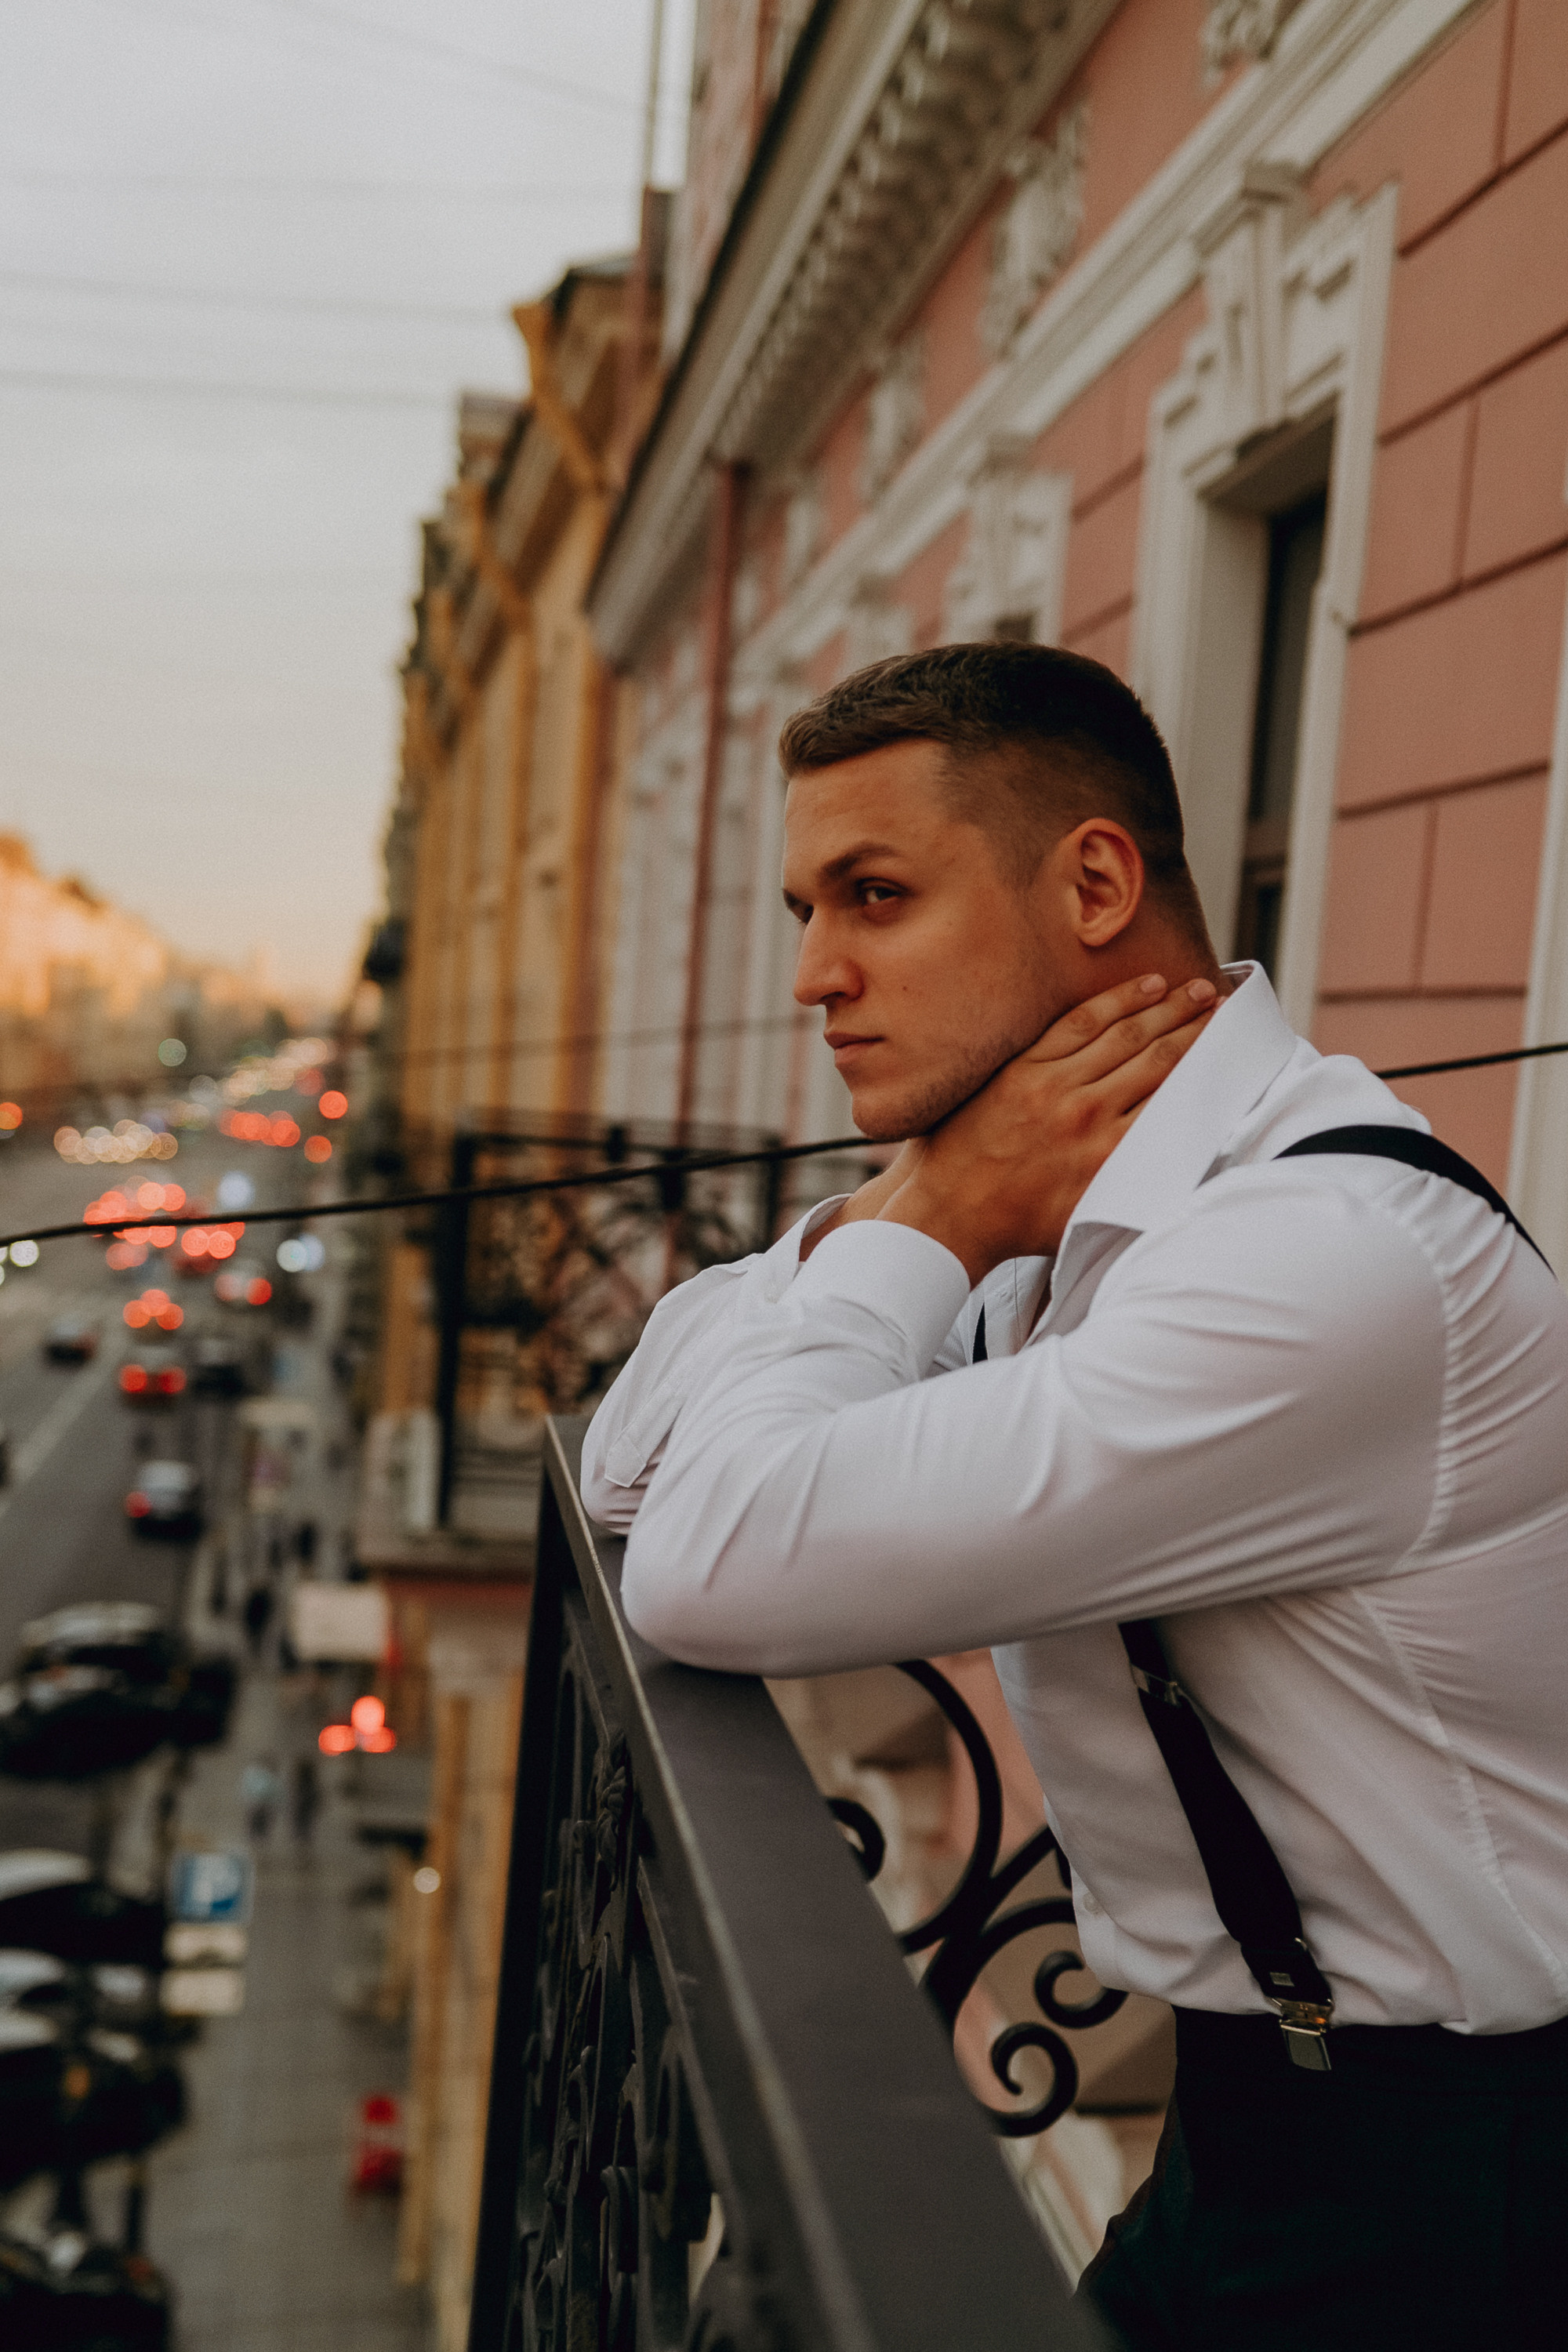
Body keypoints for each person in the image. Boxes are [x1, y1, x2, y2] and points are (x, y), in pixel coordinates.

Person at [582, 644, 1568, 2350]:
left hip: (1470, 2186)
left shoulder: (1316, 1266)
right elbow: (629, 1455)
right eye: (806, 908)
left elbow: (703, 1562)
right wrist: (920, 1205)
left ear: (1096, 881)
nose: (815, 974)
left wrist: (937, 1215)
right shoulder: (1077, 1212)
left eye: (873, 896)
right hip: (1266, 2122)